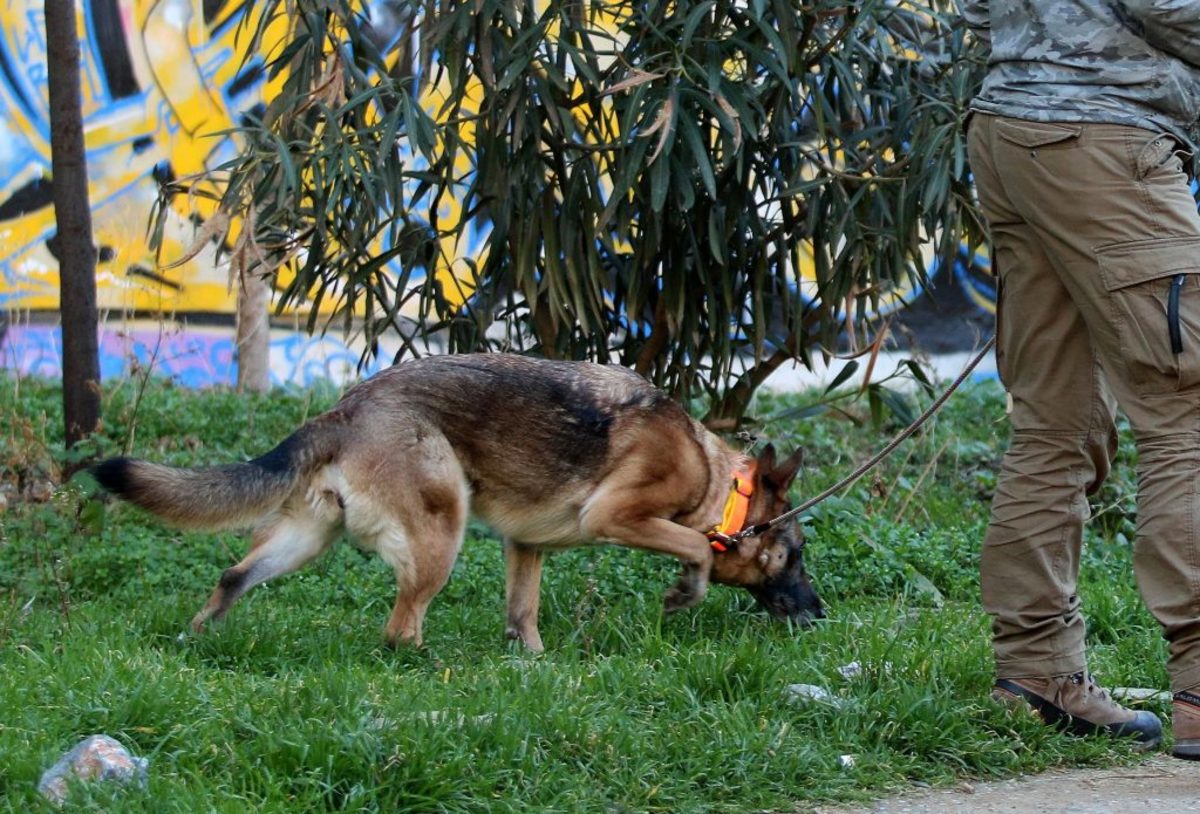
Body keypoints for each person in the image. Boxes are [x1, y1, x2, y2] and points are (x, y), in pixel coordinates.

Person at [959, 1, 1200, 759]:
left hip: (1010, 131)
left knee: (1055, 422)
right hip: (1105, 137)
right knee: (1188, 409)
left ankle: (1036, 674)